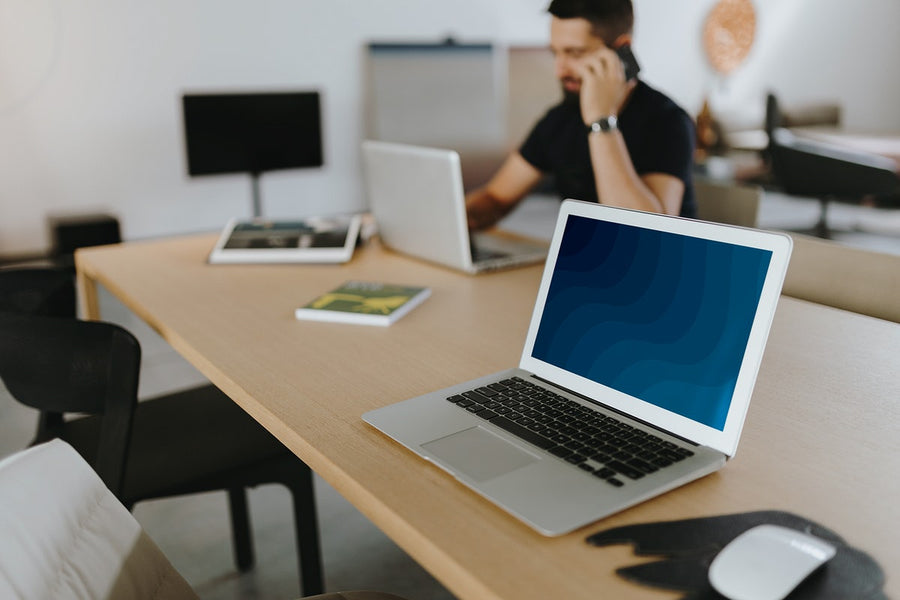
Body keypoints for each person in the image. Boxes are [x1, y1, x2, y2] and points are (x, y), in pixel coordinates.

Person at [466, 0, 696, 230]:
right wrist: (454, 220)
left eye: (575, 53)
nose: (559, 70)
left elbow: (648, 236)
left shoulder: (667, 121)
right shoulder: (560, 120)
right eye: (555, 53)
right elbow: (495, 199)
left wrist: (601, 120)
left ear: (622, 49)